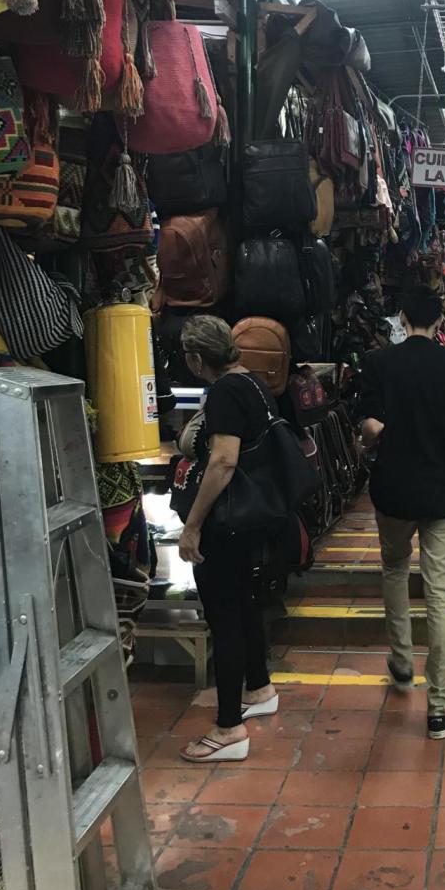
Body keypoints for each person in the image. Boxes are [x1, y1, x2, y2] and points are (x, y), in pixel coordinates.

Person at [358, 285, 445, 739]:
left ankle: (399, 662)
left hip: (392, 489)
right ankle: (437, 708)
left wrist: (381, 432)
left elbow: (370, 426)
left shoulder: (377, 363)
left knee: (394, 570)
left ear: (401, 317)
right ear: (439, 322)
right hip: (441, 493)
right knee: (440, 594)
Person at [176, 315, 279, 764]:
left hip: (224, 520)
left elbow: (223, 460)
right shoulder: (253, 383)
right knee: (244, 604)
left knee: (224, 616)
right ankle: (259, 687)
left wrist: (193, 524)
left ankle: (229, 727)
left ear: (197, 359)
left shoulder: (224, 393)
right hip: (250, 517)